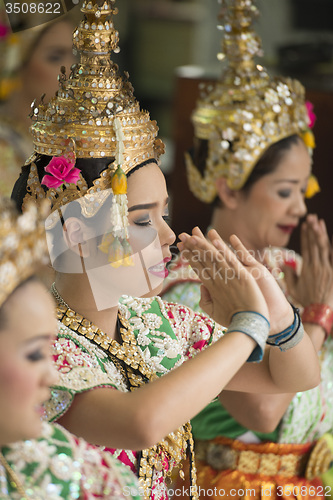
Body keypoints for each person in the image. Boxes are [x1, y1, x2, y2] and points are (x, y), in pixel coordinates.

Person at [11, 1, 320, 499]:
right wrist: (248, 327)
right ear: (73, 234)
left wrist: (273, 306)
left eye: (166, 216)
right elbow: (140, 422)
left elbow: (297, 375)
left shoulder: (159, 323)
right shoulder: (40, 344)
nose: (168, 237)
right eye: (140, 219)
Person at [162, 1, 333, 498]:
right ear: (229, 187)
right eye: (284, 191)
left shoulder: (299, 269)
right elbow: (264, 410)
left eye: (304, 190)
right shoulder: (191, 289)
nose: (299, 210)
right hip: (231, 486)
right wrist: (316, 319)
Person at [0, 196, 142, 499]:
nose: (52, 377)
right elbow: (140, 423)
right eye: (35, 354)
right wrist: (249, 327)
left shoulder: (59, 460)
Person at [0, 6, 76, 196]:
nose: (72, 68)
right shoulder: (4, 148)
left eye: (75, 53)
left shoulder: (71, 141)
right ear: (18, 64)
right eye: (55, 56)